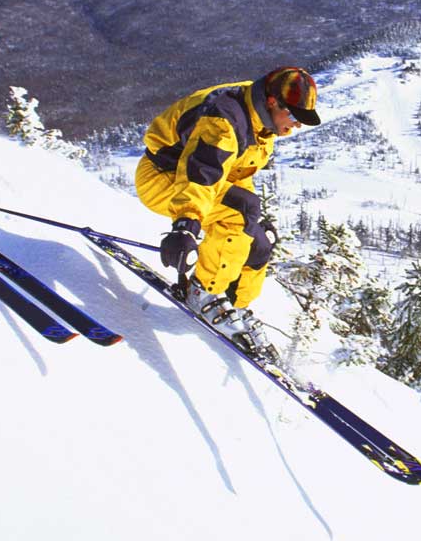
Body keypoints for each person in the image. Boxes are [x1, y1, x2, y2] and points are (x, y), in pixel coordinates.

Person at [136, 66, 321, 360]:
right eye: (295, 117)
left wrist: (252, 222)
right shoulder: (224, 119)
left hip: (198, 182)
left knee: (259, 242)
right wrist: (186, 225)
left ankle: (233, 306)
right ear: (274, 102)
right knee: (241, 213)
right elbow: (200, 173)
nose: (297, 126)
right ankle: (204, 293)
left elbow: (234, 172)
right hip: (165, 178)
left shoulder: (262, 122)